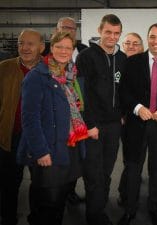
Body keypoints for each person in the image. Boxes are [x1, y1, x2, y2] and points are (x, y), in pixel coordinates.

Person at [17, 31, 88, 225]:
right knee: (48, 201)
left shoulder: (72, 75)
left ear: (73, 50)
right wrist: (41, 151)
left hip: (68, 146)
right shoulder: (37, 76)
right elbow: (30, 119)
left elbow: (77, 110)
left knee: (60, 199)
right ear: (51, 48)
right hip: (48, 149)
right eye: (59, 47)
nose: (63, 51)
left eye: (68, 47)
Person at [118, 23, 157, 225]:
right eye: (152, 37)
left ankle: (154, 207)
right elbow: (124, 92)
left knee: (156, 169)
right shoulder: (133, 62)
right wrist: (137, 107)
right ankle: (130, 210)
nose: (156, 41)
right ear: (148, 38)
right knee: (133, 169)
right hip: (137, 124)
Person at [76, 14, 126, 225]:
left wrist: (122, 114)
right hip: (93, 126)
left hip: (114, 125)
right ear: (100, 31)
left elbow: (124, 90)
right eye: (108, 32)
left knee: (107, 170)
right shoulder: (86, 56)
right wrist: (90, 124)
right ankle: (94, 215)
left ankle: (99, 205)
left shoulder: (122, 58)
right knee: (94, 172)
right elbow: (81, 93)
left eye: (116, 33)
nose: (112, 37)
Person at [0, 29, 45, 225]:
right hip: (11, 136)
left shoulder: (52, 69)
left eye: (30, 44)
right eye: (21, 43)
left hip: (40, 138)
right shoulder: (4, 68)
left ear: (42, 47)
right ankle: (8, 218)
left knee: (40, 184)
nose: (24, 48)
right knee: (9, 183)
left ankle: (36, 218)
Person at [42, 16, 88, 204]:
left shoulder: (85, 51)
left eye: (72, 28)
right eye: (64, 27)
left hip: (77, 118)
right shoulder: (44, 61)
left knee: (73, 163)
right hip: (55, 122)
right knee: (51, 176)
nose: (69, 30)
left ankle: (69, 191)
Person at [118, 32, 144, 207]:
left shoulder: (146, 65)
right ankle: (126, 190)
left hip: (139, 119)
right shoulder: (117, 62)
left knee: (135, 160)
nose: (131, 46)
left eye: (136, 43)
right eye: (128, 43)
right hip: (119, 119)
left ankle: (128, 191)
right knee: (128, 159)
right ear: (123, 45)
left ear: (141, 47)